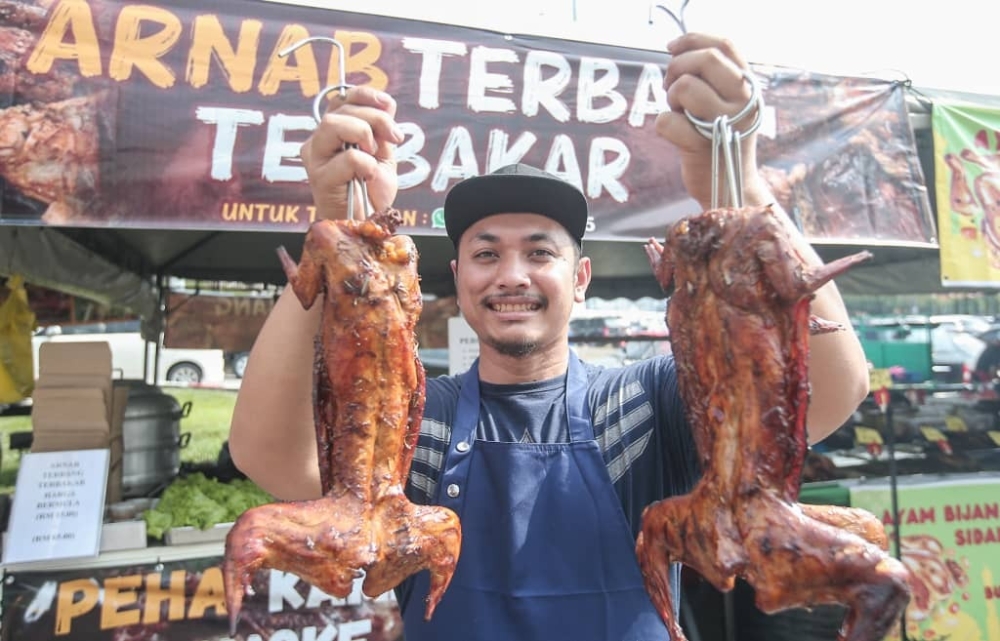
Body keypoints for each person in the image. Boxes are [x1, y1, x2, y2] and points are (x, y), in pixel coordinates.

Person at [227, 33, 870, 641]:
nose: (512, 276)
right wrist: (333, 239)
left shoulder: (647, 402)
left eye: (539, 252)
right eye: (485, 254)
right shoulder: (418, 421)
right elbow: (268, 456)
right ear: (454, 278)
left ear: (580, 278)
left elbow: (834, 392)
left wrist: (741, 185)